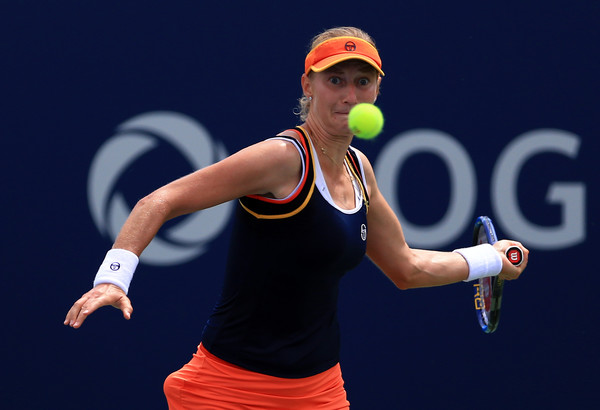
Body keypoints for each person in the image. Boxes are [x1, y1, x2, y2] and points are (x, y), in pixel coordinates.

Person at [65, 26, 528, 409]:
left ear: (377, 90)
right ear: (308, 84)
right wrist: (113, 279)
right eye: (335, 79)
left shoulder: (360, 170)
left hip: (319, 391)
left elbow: (406, 268)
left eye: (362, 81)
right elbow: (158, 201)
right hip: (227, 390)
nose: (350, 94)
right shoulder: (282, 159)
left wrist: (489, 259)